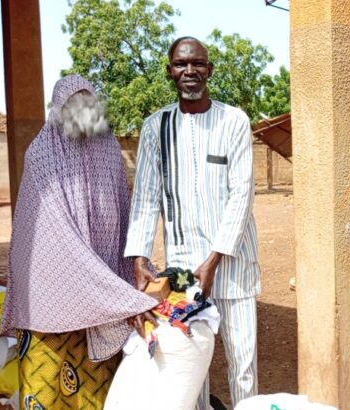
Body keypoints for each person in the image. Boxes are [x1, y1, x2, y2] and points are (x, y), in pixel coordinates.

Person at [0, 74, 158, 409]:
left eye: (88, 104)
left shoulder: (109, 150)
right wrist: (119, 297)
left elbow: (123, 215)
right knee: (48, 387)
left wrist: (133, 270)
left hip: (102, 289)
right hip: (51, 295)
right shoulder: (42, 156)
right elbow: (59, 240)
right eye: (72, 105)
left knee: (97, 388)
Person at [125, 36, 260, 409]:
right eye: (181, 64)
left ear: (209, 70)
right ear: (170, 72)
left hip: (232, 266)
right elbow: (147, 196)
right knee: (190, 363)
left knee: (243, 363)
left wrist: (214, 259)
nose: (190, 71)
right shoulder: (156, 127)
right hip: (184, 269)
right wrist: (138, 257)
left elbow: (242, 194)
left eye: (197, 63)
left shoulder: (234, 121)